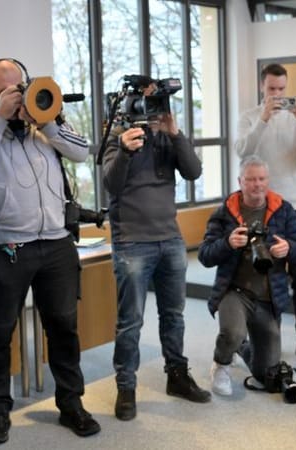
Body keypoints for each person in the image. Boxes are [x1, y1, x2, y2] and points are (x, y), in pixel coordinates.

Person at [0, 58, 100, 444]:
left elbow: (81, 152)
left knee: (64, 329)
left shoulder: (44, 109)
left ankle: (72, 404)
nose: (16, 94)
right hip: (7, 246)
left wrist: (47, 121)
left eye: (19, 85)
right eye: (5, 89)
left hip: (56, 243)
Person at [102, 78, 210, 421]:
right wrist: (124, 150)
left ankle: (177, 376)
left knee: (174, 316)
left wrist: (175, 133)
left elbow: (193, 171)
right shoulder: (117, 136)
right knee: (130, 321)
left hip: (170, 239)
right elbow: (111, 184)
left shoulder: (166, 135)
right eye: (147, 105)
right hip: (132, 242)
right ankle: (126, 386)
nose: (152, 113)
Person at [235, 63, 296, 364]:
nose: (277, 95)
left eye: (281, 89)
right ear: (262, 87)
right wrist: (263, 120)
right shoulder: (249, 117)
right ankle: (262, 337)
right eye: (271, 89)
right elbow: (242, 151)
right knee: (263, 276)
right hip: (261, 208)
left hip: (293, 206)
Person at [199, 157, 296, 396]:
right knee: (233, 333)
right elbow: (204, 256)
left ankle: (241, 348)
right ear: (240, 181)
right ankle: (221, 364)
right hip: (234, 291)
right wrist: (227, 243)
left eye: (261, 179)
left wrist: (289, 248)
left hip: (268, 297)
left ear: (268, 180)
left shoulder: (284, 209)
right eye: (250, 180)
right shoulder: (225, 212)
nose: (256, 185)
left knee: (265, 373)